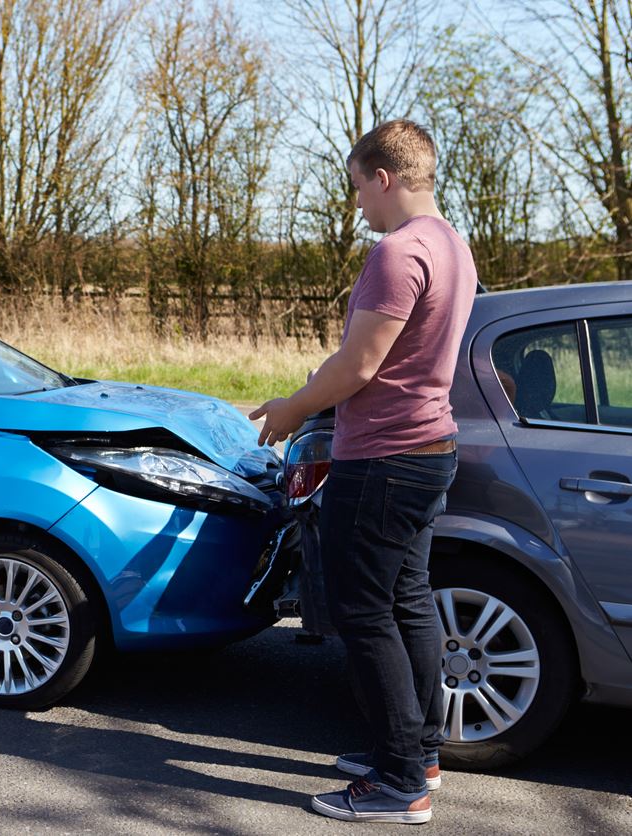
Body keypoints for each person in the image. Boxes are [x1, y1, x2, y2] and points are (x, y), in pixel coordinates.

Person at [249, 120, 477, 824]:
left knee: (364, 609)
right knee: (408, 598)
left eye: (356, 187)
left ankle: (399, 782)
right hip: (429, 449)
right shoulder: (454, 245)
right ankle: (417, 751)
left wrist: (290, 409)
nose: (356, 204)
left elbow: (359, 366)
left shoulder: (397, 251)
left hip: (384, 457)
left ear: (384, 177)